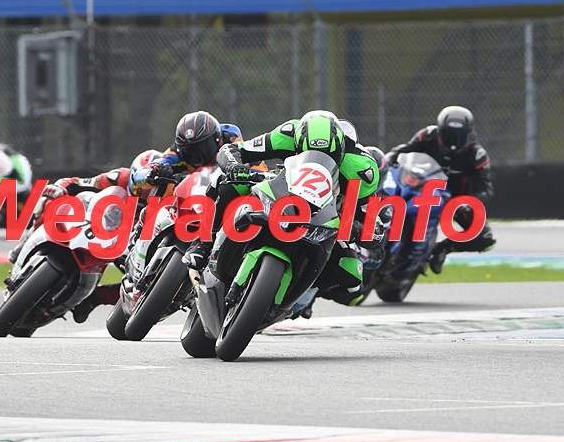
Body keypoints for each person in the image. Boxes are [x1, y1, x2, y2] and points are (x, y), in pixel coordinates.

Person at [184, 110, 385, 307]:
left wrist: (358, 228)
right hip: (283, 192)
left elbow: (374, 223)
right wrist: (234, 167)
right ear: (298, 143)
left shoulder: (362, 168)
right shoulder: (288, 133)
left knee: (350, 276)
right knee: (227, 182)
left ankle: (299, 297)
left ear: (341, 149)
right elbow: (232, 149)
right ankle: (202, 243)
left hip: (328, 217)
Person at [7, 149, 163, 324]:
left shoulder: (160, 206)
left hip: (117, 247)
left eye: (151, 187)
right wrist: (60, 188)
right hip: (93, 222)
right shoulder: (120, 177)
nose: (144, 190)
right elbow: (78, 182)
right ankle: (26, 241)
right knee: (49, 199)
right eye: (141, 183)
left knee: (145, 286)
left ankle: (95, 298)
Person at [386, 105, 496, 274]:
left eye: (460, 137)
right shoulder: (427, 135)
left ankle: (442, 249)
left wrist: (469, 204)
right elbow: (400, 152)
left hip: (454, 202)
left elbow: (485, 190)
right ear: (439, 132)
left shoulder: (477, 155)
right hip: (421, 190)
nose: (453, 144)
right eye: (448, 136)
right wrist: (387, 161)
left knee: (485, 239)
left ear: (470, 134)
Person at [128, 111, 245, 195]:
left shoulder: (230, 138)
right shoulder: (177, 152)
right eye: (190, 150)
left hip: (230, 186)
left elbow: (250, 159)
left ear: (217, 139)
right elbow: (139, 175)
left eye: (203, 147)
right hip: (196, 193)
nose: (198, 155)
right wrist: (153, 173)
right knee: (164, 185)